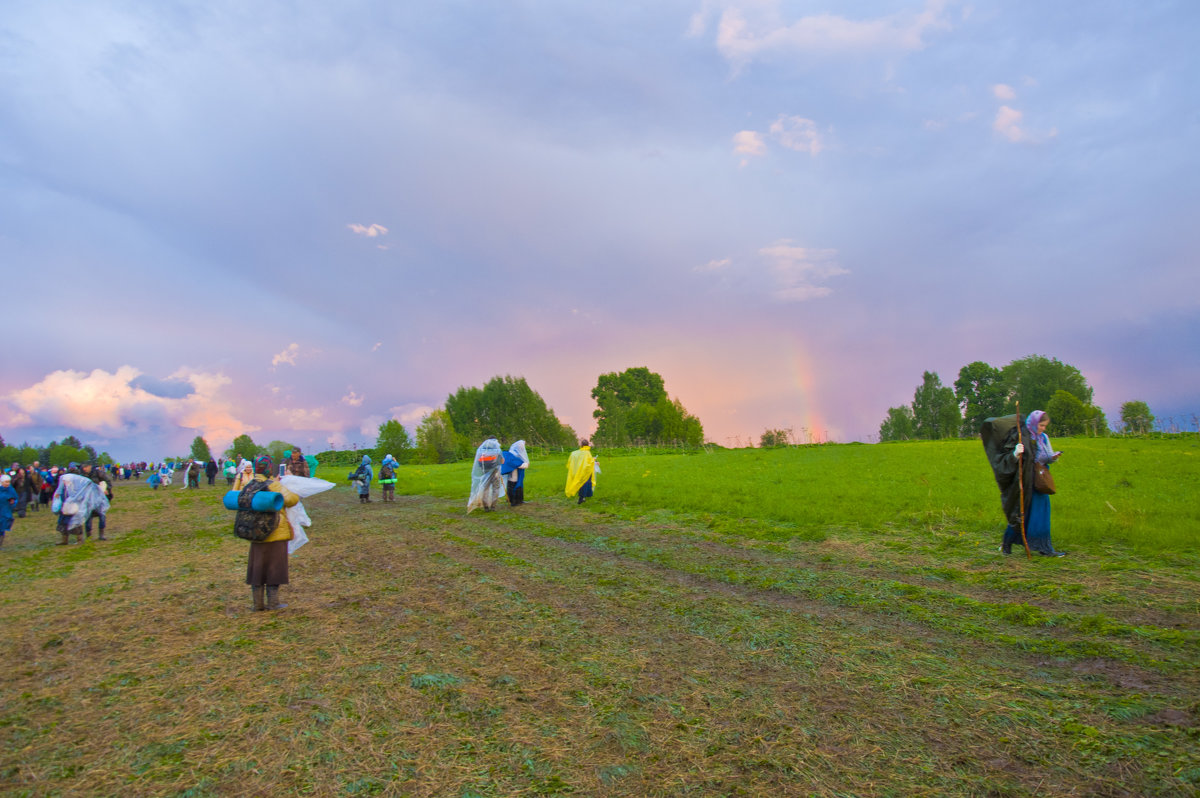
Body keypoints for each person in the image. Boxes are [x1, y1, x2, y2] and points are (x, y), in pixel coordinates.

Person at [983, 410, 1065, 557]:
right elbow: (1005, 458)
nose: (1043, 429)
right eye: (1041, 425)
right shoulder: (1021, 436)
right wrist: (1015, 453)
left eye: (1045, 426)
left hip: (1041, 480)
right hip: (1026, 480)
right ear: (1034, 423)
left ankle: (1044, 547)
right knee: (1022, 512)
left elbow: (1046, 457)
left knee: (1041, 513)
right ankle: (1007, 542)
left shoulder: (1044, 438)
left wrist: (1053, 457)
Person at [238, 455, 300, 611]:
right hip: (275, 532)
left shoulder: (250, 484)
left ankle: (257, 604)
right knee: (275, 568)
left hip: (255, 532)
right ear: (269, 468)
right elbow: (292, 499)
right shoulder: (273, 485)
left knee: (257, 567)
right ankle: (273, 603)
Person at [52, 472, 110, 545]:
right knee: (63, 523)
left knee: (75, 523)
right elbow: (59, 493)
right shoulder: (65, 486)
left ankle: (79, 540)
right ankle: (64, 540)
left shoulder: (77, 487)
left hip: (74, 507)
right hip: (65, 508)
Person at [467, 438, 504, 512]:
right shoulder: (497, 450)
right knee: (495, 488)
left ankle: (485, 506)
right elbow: (502, 461)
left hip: (485, 472)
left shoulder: (482, 451)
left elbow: (478, 463)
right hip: (495, 472)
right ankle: (493, 506)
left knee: (485, 488)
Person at [565, 439, 598, 505]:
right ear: (588, 444)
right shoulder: (587, 453)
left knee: (580, 483)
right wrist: (594, 460)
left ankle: (584, 497)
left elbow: (573, 462)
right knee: (585, 484)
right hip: (586, 472)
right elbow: (589, 463)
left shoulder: (575, 453)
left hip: (578, 472)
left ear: (581, 445)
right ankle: (582, 498)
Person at [501, 440, 530, 506]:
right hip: (513, 474)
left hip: (517, 473)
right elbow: (516, 463)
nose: (522, 448)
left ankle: (519, 500)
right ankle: (513, 501)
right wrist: (525, 465)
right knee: (513, 484)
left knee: (518, 484)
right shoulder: (512, 454)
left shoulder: (515, 453)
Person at [0, 474, 16, 547]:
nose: (7, 483)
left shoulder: (10, 490)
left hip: (5, 512)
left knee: (2, 528)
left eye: (8, 482)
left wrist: (12, 503)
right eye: (6, 482)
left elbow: (15, 499)